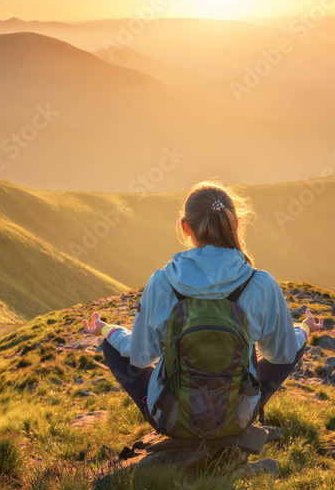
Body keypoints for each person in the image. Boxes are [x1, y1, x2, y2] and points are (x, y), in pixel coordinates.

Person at [82, 180, 322, 432]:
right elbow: (281, 354)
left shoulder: (163, 282)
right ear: (235, 225)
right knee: (291, 344)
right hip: (236, 420)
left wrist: (107, 330)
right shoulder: (260, 283)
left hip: (173, 420)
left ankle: (156, 408)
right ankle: (241, 410)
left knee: (112, 346)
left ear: (186, 227)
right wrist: (304, 329)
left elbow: (142, 356)